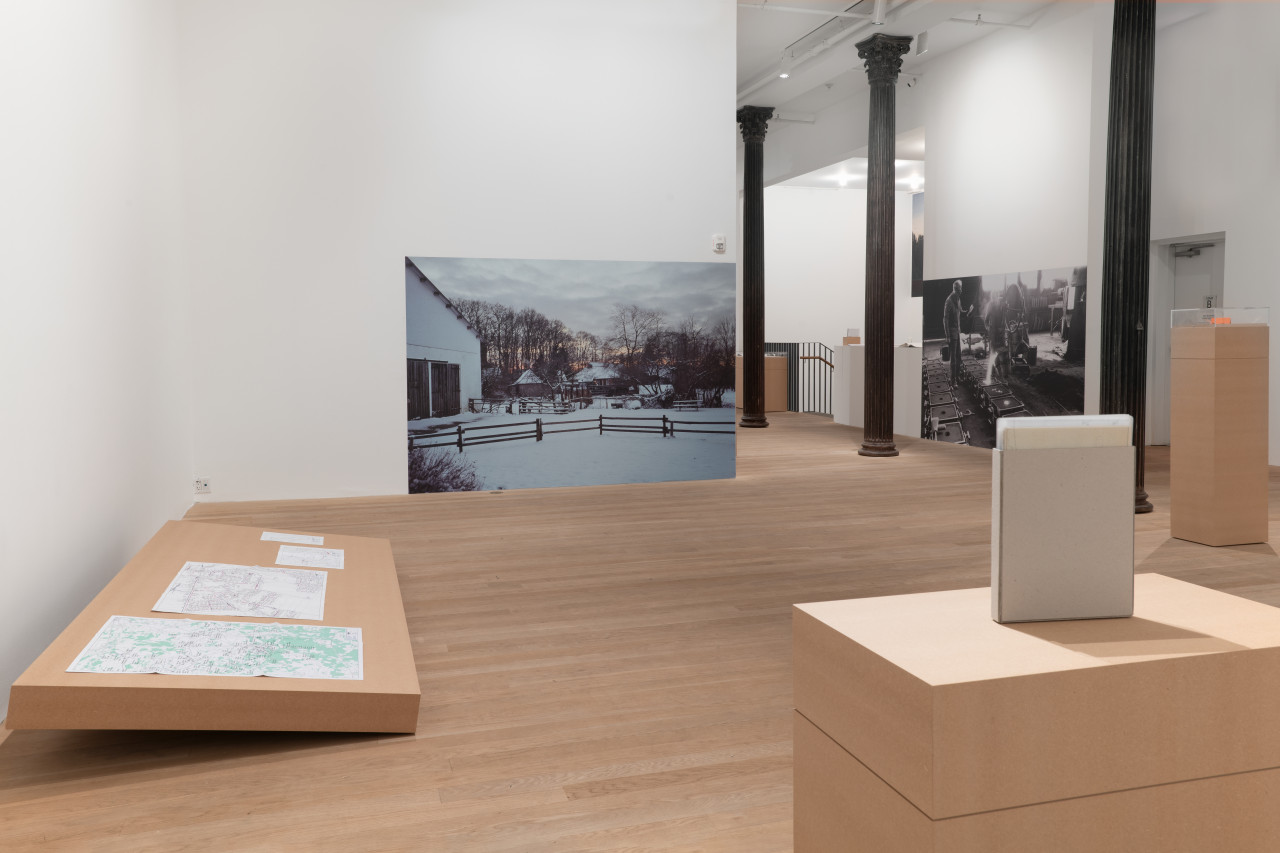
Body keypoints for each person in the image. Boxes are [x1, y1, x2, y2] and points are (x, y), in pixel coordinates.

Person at [942, 280, 966, 385]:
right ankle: (953, 380)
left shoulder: (958, 299)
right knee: (954, 358)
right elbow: (945, 319)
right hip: (952, 333)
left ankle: (957, 376)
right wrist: (947, 335)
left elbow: (961, 311)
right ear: (956, 289)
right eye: (959, 288)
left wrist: (967, 312)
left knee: (959, 356)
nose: (961, 290)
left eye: (961, 288)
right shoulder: (949, 301)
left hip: (957, 331)